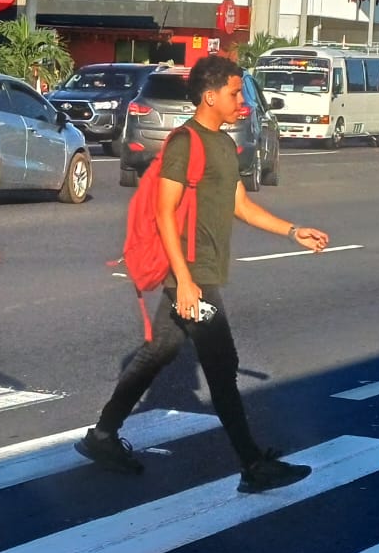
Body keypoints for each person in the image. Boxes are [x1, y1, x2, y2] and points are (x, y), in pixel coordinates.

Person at [77, 55, 330, 493]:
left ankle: (102, 436)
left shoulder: (225, 145)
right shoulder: (185, 143)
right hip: (192, 273)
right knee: (221, 364)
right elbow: (164, 212)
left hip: (200, 271)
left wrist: (293, 231)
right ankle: (252, 465)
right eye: (234, 93)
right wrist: (185, 280)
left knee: (159, 352)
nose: (240, 101)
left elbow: (241, 205)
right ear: (210, 96)